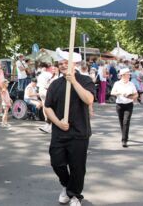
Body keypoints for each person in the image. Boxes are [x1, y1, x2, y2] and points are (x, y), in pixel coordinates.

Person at [44, 48, 94, 206]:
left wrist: (73, 81)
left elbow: (89, 99)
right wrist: (58, 123)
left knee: (77, 167)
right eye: (60, 63)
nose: (63, 65)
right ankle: (68, 187)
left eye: (66, 63)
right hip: (59, 132)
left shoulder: (85, 80)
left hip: (79, 132)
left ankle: (75, 195)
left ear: (74, 63)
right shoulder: (55, 84)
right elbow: (48, 107)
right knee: (56, 162)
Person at [110, 68, 138, 148]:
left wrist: (132, 97)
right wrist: (120, 93)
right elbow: (112, 92)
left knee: (126, 122)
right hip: (119, 105)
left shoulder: (131, 84)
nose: (129, 75)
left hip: (129, 105)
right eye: (128, 74)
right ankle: (124, 135)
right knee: (122, 122)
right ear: (123, 75)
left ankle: (124, 140)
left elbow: (136, 94)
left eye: (129, 74)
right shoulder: (117, 83)